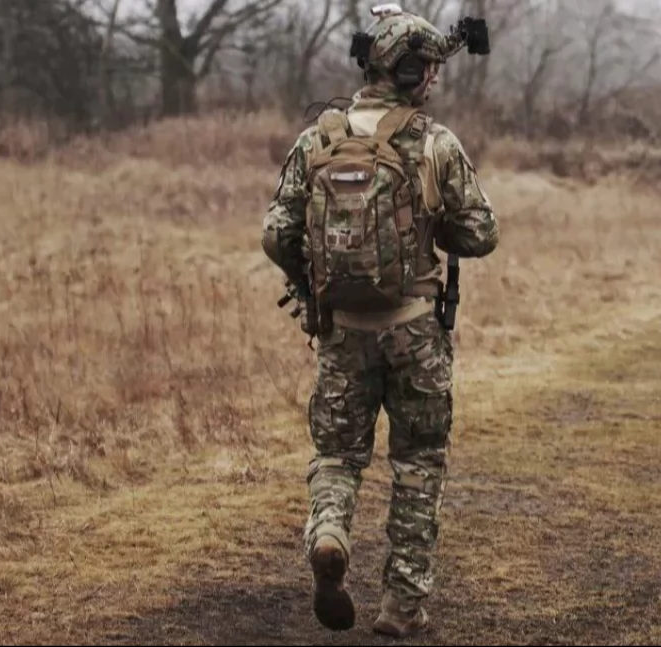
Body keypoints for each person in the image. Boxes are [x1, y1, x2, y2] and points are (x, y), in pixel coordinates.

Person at [260, 4, 498, 638]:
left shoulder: (319, 138)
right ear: (415, 72)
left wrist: (310, 288)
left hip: (341, 332)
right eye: (432, 71)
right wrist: (432, 222)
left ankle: (331, 531)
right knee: (418, 464)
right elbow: (481, 235)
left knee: (337, 454)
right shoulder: (434, 143)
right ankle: (401, 606)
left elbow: (276, 232)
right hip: (417, 331)